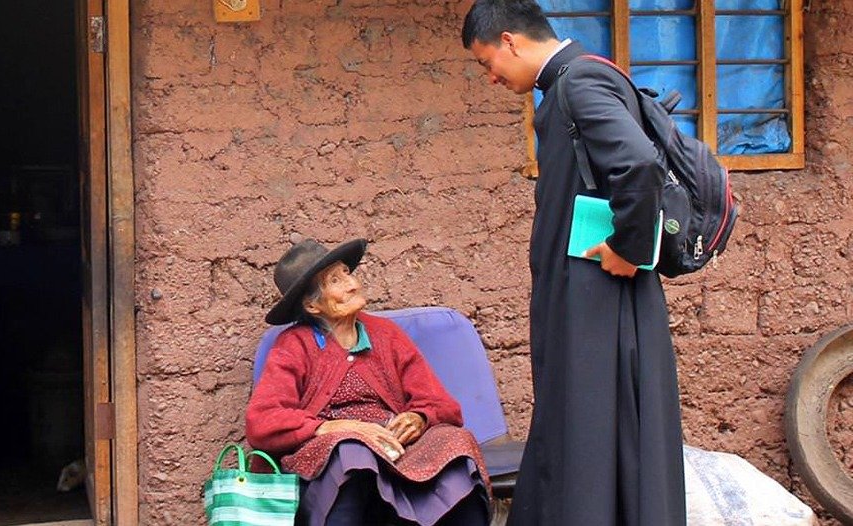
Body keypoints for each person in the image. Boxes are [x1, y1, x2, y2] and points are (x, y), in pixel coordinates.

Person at [461, 1, 686, 525]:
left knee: (594, 433)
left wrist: (629, 250)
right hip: (588, 296)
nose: (491, 78)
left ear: (510, 41)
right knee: (590, 430)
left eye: (487, 62)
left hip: (602, 297)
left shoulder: (580, 82)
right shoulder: (567, 85)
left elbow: (638, 166)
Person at [246, 238, 491, 526]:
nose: (352, 284)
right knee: (352, 452)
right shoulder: (293, 346)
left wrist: (419, 418)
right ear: (312, 305)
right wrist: (332, 427)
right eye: (335, 281)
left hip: (394, 446)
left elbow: (441, 404)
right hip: (328, 456)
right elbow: (262, 421)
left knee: (455, 442)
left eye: (347, 273)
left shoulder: (386, 334)